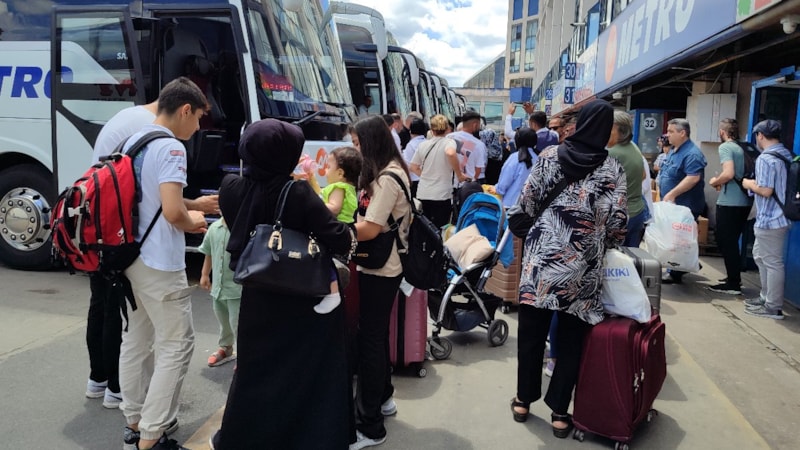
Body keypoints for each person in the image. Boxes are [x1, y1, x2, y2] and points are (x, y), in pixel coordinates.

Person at [212, 119, 355, 449]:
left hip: (257, 296)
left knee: (255, 372)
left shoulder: (230, 187)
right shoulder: (297, 191)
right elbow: (337, 237)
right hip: (304, 299)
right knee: (306, 375)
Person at [510, 99, 627, 439]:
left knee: (531, 336)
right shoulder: (612, 168)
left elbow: (526, 203)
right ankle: (560, 412)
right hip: (583, 266)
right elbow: (618, 222)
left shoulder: (549, 157)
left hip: (541, 262)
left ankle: (523, 400)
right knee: (572, 341)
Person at [119, 77, 209, 450]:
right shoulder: (172, 149)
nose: (199, 127)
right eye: (199, 117)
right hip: (160, 260)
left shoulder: (134, 141)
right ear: (185, 110)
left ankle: (135, 420)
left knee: (137, 339)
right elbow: (172, 211)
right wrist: (196, 222)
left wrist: (191, 206)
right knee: (177, 343)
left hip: (130, 256)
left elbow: (149, 200)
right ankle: (153, 436)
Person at [351, 115, 413, 450]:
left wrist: (334, 228)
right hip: (379, 266)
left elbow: (371, 228)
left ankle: (370, 427)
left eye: (357, 144)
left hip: (382, 268)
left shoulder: (388, 177)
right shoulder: (385, 170)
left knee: (371, 341)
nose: (354, 150)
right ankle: (384, 399)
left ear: (371, 142)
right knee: (374, 337)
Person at [741, 119, 792, 320]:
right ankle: (766, 297)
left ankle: (773, 307)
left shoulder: (765, 158)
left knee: (772, 262)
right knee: (761, 257)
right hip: (777, 217)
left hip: (771, 218)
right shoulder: (785, 154)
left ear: (760, 135)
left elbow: (765, 189)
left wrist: (748, 183)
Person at [305, 146, 363, 314]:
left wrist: (313, 205)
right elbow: (323, 196)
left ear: (341, 174)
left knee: (327, 261)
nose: (325, 170)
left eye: (329, 167)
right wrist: (312, 181)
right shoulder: (341, 187)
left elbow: (334, 208)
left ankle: (333, 293)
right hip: (344, 230)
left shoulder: (339, 187)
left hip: (338, 231)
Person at [659, 118, 707, 284]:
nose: (668, 134)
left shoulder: (692, 153)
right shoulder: (674, 150)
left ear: (682, 133)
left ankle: (676, 271)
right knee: (675, 238)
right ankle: (683, 264)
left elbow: (693, 178)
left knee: (680, 239)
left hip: (686, 205)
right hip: (674, 206)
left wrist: (672, 193)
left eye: (671, 131)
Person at [708, 118, 751, 295]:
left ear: (722, 132)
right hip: (744, 201)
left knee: (726, 240)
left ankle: (733, 283)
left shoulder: (725, 147)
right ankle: (733, 276)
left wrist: (714, 181)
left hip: (729, 202)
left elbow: (729, 173)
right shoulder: (743, 147)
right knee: (732, 240)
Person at [199, 212, 241, 367]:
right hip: (218, 287)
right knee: (222, 319)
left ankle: (245, 353)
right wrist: (204, 274)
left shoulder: (242, 228)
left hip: (237, 289)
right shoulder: (214, 228)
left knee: (237, 322)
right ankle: (226, 346)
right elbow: (208, 253)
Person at [410, 114, 467, 228]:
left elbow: (413, 166)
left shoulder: (423, 145)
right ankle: (435, 246)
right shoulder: (449, 142)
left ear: (431, 129)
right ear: (447, 129)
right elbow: (450, 153)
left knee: (424, 227)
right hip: (442, 194)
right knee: (439, 228)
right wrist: (459, 174)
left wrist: (425, 175)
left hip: (423, 192)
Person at [607, 110, 647, 247]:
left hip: (622, 216)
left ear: (620, 131)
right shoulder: (634, 147)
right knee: (630, 261)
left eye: (608, 128)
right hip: (636, 211)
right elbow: (643, 175)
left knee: (617, 263)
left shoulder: (612, 153)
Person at [488, 128, 538, 208]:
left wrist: (497, 189)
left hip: (511, 204)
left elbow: (505, 181)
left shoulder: (515, 157)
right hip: (531, 206)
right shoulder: (539, 158)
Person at [448, 110, 487, 183]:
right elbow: (478, 170)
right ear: (475, 125)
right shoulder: (479, 145)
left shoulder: (449, 137)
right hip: (466, 185)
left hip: (448, 183)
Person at [402, 118, 429, 198]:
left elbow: (408, 165)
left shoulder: (411, 145)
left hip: (415, 180)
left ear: (410, 131)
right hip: (428, 180)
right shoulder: (428, 143)